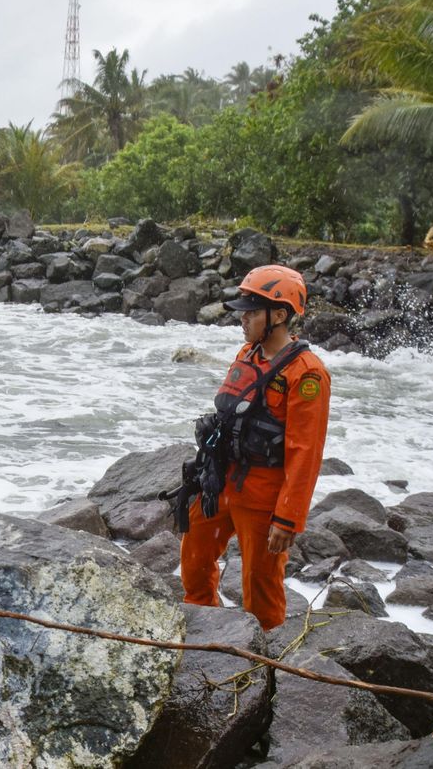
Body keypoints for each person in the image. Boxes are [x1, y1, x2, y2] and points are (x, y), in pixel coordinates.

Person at [179, 264, 331, 630]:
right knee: (194, 565)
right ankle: (201, 640)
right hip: (219, 480)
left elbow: (305, 453)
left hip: (263, 491)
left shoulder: (307, 374)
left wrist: (288, 518)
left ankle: (265, 665)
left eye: (251, 311)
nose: (242, 318)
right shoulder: (247, 354)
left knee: (261, 587)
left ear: (279, 315)